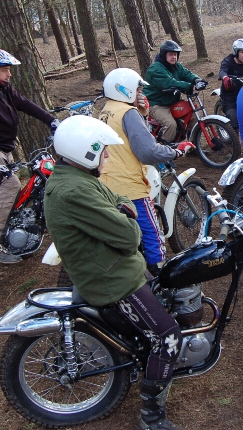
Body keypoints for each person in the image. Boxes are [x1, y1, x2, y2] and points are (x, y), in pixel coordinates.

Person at [44, 115, 184, 430]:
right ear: (84, 152)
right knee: (168, 337)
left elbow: (119, 199)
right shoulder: (75, 192)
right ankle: (152, 416)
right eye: (102, 150)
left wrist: (123, 211)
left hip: (116, 267)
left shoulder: (76, 178)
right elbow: (130, 236)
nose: (107, 155)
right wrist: (127, 218)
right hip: (113, 280)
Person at [0, 48, 59, 264]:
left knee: (12, 194)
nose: (9, 74)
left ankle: (10, 235)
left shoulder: (1, 88)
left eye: (9, 69)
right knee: (10, 184)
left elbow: (24, 103)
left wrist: (51, 120)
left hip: (5, 148)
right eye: (5, 70)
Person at [98, 68, 195, 275]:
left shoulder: (106, 110)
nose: (141, 93)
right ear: (124, 90)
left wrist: (142, 113)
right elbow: (147, 151)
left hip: (105, 182)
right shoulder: (128, 113)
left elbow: (126, 137)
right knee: (153, 234)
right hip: (127, 185)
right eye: (137, 89)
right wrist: (176, 151)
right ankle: (157, 276)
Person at [144, 40, 207, 142]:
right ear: (164, 54)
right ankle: (165, 149)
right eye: (171, 54)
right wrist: (190, 87)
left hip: (172, 101)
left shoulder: (176, 66)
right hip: (156, 103)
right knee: (170, 124)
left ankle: (194, 145)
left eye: (175, 54)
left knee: (194, 117)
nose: (174, 57)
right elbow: (170, 82)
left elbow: (187, 74)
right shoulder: (155, 69)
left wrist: (197, 80)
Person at [217, 39, 243, 129]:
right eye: (242, 52)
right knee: (234, 119)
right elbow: (222, 71)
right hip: (229, 97)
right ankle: (234, 138)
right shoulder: (228, 61)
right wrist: (225, 78)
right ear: (236, 52)